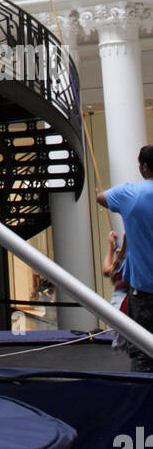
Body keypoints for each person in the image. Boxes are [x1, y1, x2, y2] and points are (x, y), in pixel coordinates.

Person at [97, 145, 153, 373]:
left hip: (144, 292)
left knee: (142, 354)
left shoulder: (130, 193)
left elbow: (101, 198)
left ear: (144, 167)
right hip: (141, 291)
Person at [103, 230, 129, 353]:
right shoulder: (126, 262)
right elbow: (107, 271)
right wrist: (111, 246)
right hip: (124, 303)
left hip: (118, 302)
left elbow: (106, 270)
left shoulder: (122, 262)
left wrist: (111, 247)